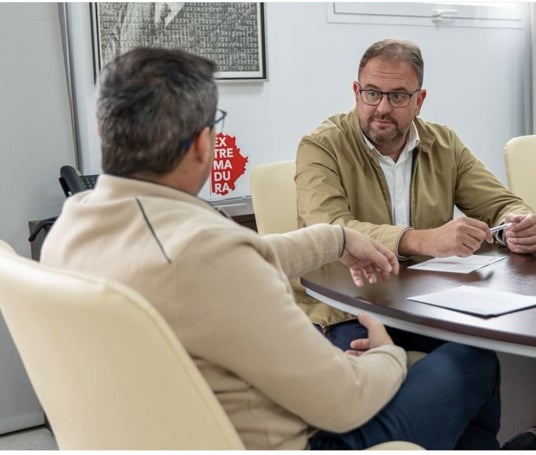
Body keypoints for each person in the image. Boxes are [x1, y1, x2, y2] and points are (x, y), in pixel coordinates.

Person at [40, 47, 504, 450]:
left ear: (104, 133)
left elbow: (228, 257)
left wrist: (336, 238)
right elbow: (345, 402)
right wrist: (388, 356)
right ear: (204, 144)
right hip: (308, 441)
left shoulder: (71, 230)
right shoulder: (205, 255)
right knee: (472, 360)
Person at [295, 39, 536, 449]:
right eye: (372, 93)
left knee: (478, 356)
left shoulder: (444, 143)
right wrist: (424, 240)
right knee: (387, 383)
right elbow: (330, 229)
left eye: (397, 96)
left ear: (420, 100)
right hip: (347, 310)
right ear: (356, 92)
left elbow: (501, 202)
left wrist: (517, 222)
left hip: (429, 307)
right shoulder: (321, 146)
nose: (381, 107)